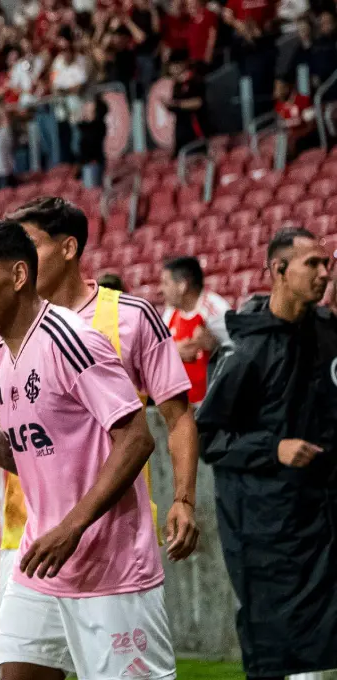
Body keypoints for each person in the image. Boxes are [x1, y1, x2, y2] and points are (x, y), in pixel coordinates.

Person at [0, 220, 175, 680]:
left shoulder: (70, 339)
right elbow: (22, 453)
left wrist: (72, 528)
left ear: (19, 276)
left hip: (108, 564)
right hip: (42, 559)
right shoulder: (1, 353)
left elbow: (137, 438)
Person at [0, 198, 198, 617]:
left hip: (114, 540)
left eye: (29, 244)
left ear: (68, 249)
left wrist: (184, 498)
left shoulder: (131, 317)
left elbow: (177, 417)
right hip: (25, 536)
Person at [196, 227, 337, 680]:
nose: (324, 273)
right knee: (286, 656)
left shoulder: (328, 334)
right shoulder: (245, 350)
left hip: (325, 521)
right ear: (278, 270)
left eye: (326, 264)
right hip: (269, 532)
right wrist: (273, 448)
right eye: (312, 264)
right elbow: (209, 438)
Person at [161, 255, 232, 404]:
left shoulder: (215, 310)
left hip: (212, 405)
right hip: (180, 404)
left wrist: (215, 347)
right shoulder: (169, 314)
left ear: (182, 285)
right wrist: (174, 352)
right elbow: (157, 352)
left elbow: (240, 353)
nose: (161, 290)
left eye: (166, 283)